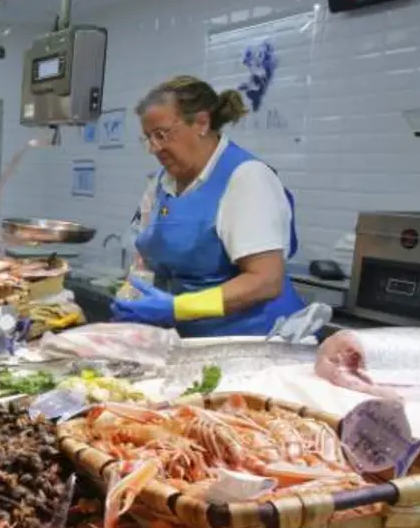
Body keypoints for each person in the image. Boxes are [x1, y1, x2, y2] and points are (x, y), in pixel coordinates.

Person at [111, 75, 306, 338]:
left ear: (201, 122)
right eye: (148, 137)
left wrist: (178, 307)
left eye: (162, 134)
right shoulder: (161, 183)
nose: (154, 148)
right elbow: (145, 255)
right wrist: (133, 298)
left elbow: (265, 281)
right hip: (190, 341)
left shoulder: (246, 178)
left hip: (253, 344)